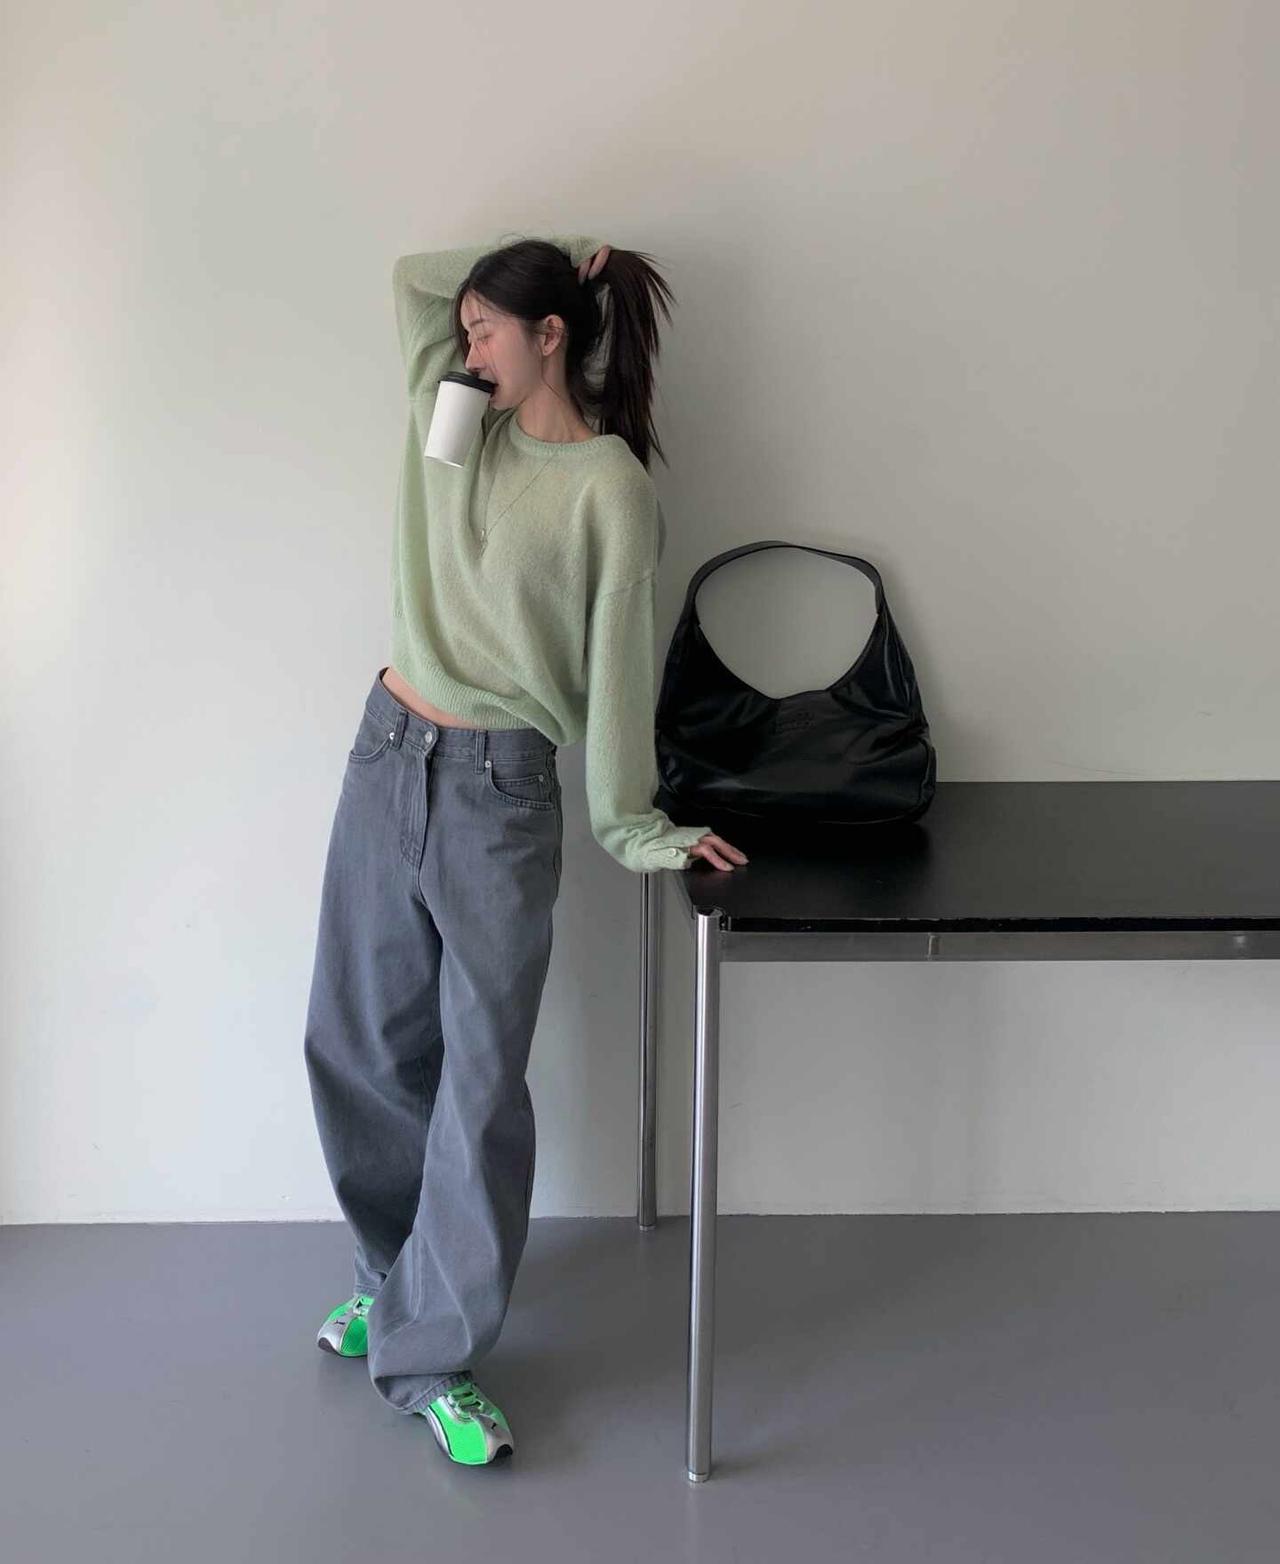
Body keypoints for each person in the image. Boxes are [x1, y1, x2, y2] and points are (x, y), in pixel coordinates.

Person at [302, 231, 748, 1466]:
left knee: (479, 1083)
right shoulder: (457, 423)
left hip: (499, 792)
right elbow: (410, 275)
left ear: (551, 337)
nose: (465, 347)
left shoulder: (611, 487)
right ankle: (391, 1280)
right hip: (385, 750)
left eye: (488, 330)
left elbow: (618, 672)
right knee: (356, 1040)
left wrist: (632, 823)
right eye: (465, 331)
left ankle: (431, 1353)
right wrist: (562, 243)